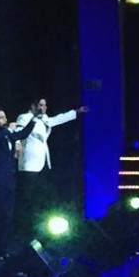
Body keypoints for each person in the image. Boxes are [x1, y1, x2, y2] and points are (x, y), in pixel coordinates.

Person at [14, 97, 90, 237]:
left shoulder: (45, 119)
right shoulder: (24, 117)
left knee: (41, 197)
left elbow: (57, 120)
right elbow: (19, 133)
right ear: (33, 106)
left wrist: (76, 112)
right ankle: (26, 229)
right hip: (30, 164)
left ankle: (39, 228)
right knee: (29, 199)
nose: (43, 107)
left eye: (45, 105)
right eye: (40, 105)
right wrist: (17, 145)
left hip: (43, 163)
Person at [0, 108, 37, 260]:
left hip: (9, 181)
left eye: (5, 117)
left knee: (7, 216)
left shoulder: (6, 133)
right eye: (0, 118)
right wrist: (8, 130)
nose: (4, 120)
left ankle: (2, 249)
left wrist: (33, 121)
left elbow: (22, 135)